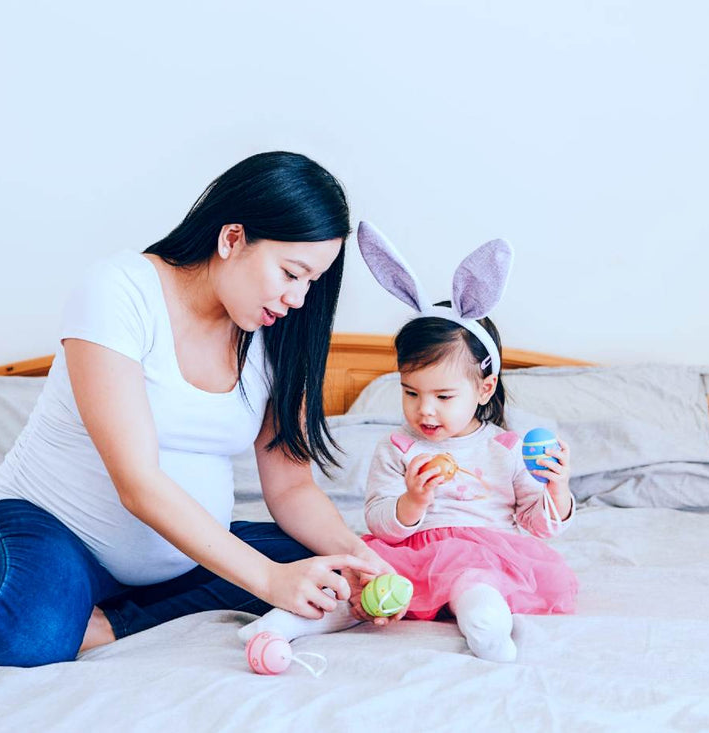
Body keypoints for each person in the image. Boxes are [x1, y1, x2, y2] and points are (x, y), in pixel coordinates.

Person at [0, 152, 393, 667]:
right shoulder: (120, 291)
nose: (301, 298)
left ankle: (112, 621)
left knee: (323, 567)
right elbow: (137, 483)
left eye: (314, 280)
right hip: (48, 529)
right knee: (24, 634)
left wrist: (363, 558)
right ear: (232, 237)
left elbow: (290, 483)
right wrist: (269, 581)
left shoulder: (276, 336)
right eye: (291, 271)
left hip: (181, 553)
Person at [237, 222, 578, 663]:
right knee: (355, 588)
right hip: (409, 556)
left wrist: (557, 489)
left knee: (473, 585)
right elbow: (380, 522)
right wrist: (412, 502)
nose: (425, 410)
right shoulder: (399, 449)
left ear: (485, 388)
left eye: (443, 396)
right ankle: (278, 628)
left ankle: (489, 631)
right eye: (411, 392)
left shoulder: (507, 448)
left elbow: (537, 526)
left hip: (485, 555)